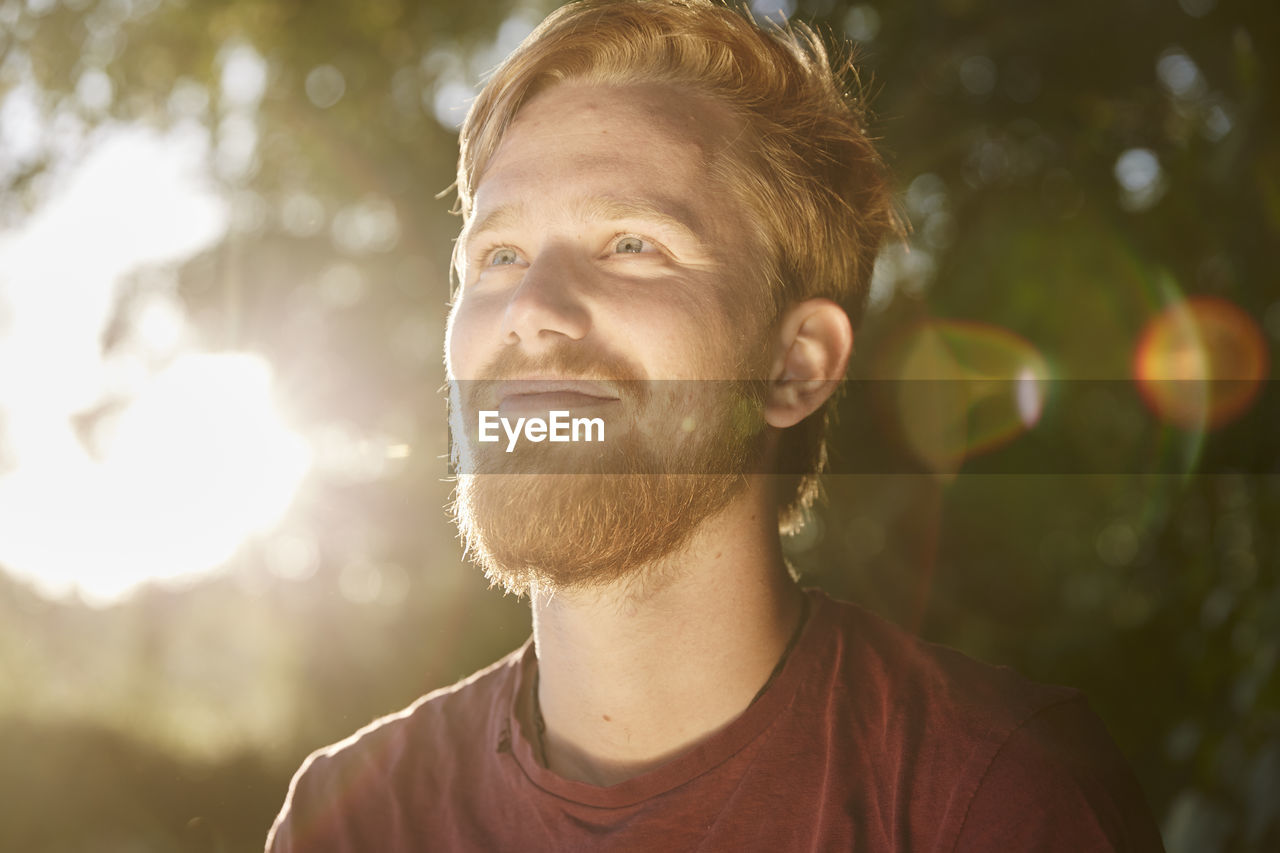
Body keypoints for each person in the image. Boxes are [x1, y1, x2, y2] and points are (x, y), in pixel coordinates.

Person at [267, 1, 1166, 849]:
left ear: (797, 363)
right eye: (498, 255)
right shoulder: (351, 815)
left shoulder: (987, 795)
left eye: (631, 244)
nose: (531, 309)